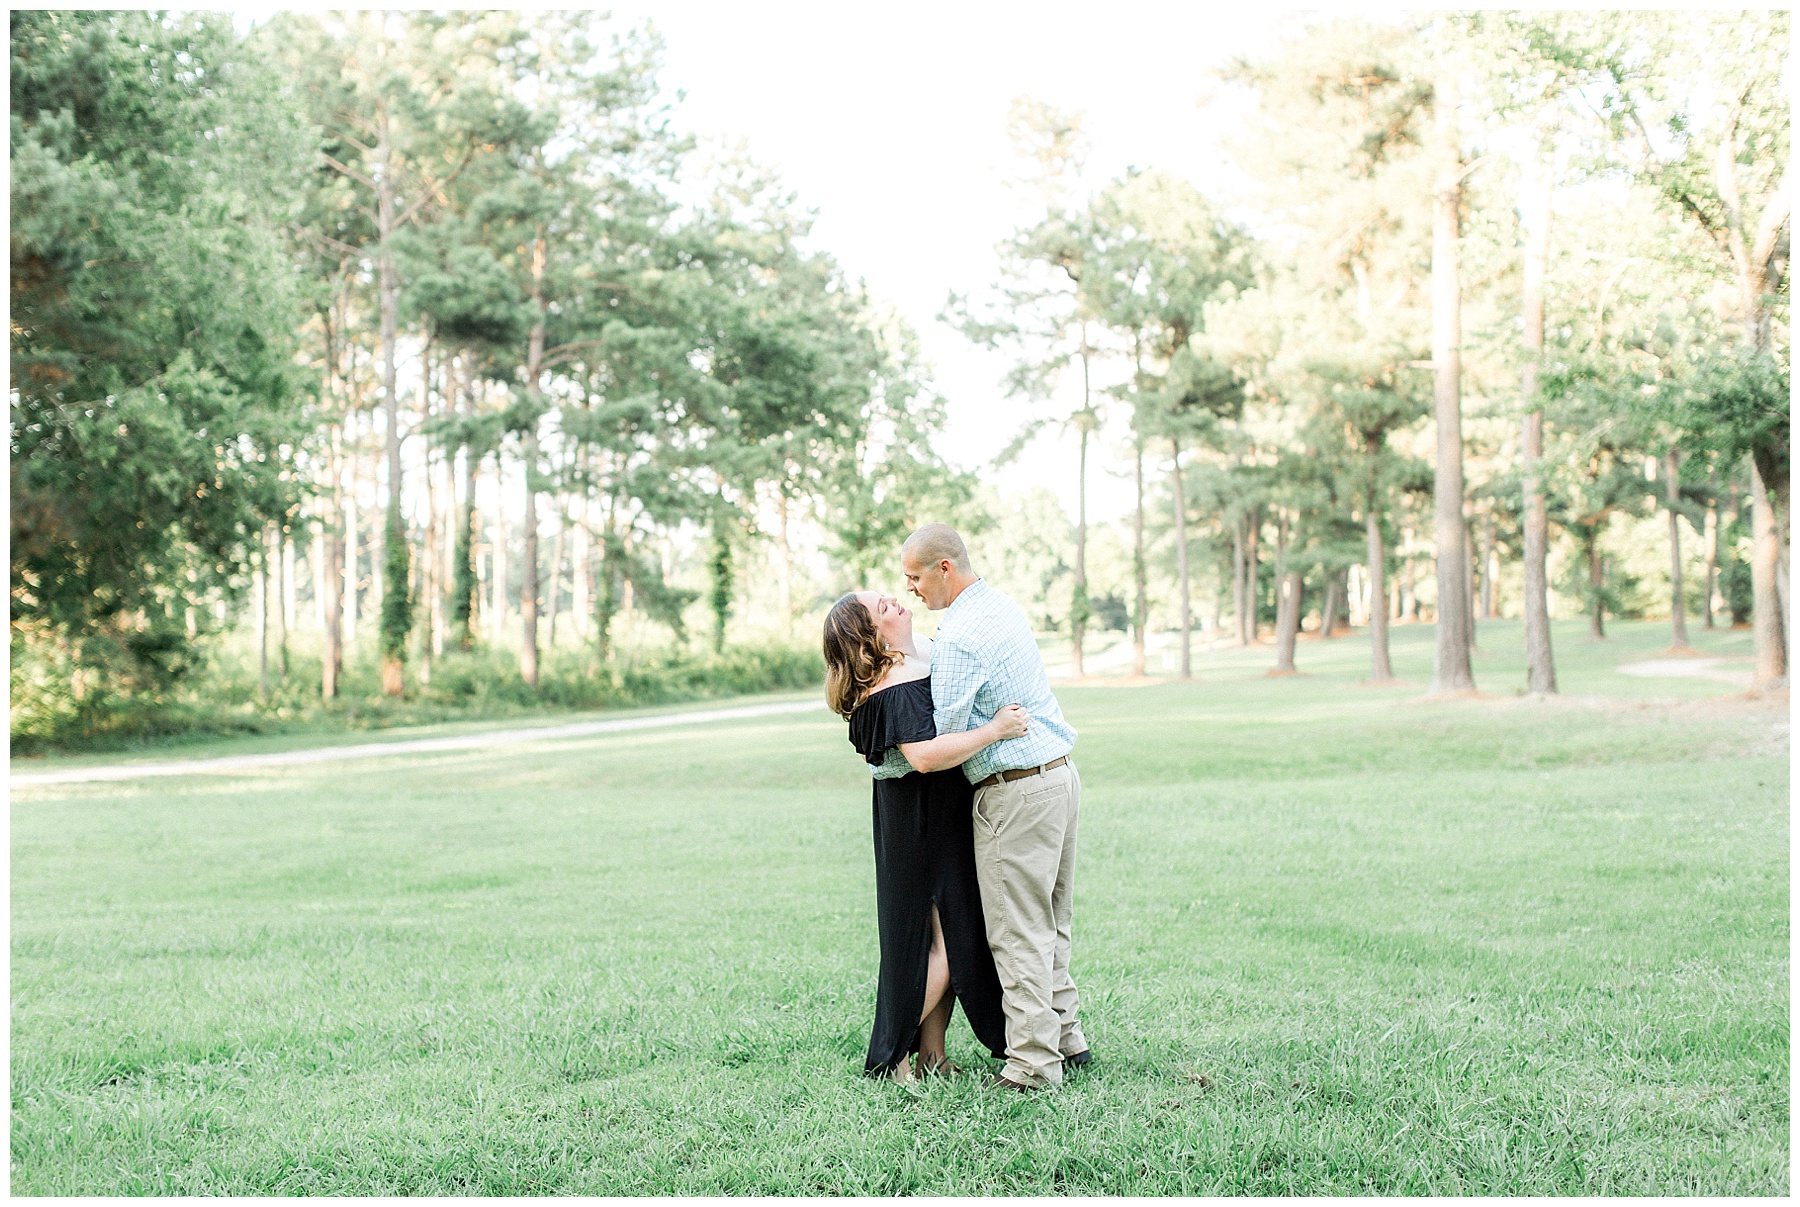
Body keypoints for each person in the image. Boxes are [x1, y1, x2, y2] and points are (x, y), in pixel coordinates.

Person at [901, 522, 1091, 1093]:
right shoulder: (1000, 606)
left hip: (1015, 792)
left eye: (914, 577)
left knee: (1017, 931)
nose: (909, 589)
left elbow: (943, 740)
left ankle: (1034, 1065)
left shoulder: (958, 637)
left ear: (944, 569)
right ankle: (1068, 1040)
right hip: (1059, 777)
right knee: (1050, 922)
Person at [822, 588, 1030, 1081]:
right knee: (939, 943)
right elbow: (924, 756)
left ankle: (931, 1057)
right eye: (880, 606)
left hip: (939, 813)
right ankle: (891, 1056)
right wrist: (996, 730)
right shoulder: (890, 685)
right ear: (868, 634)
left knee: (951, 935)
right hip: (920, 822)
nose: (893, 600)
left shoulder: (922, 657)